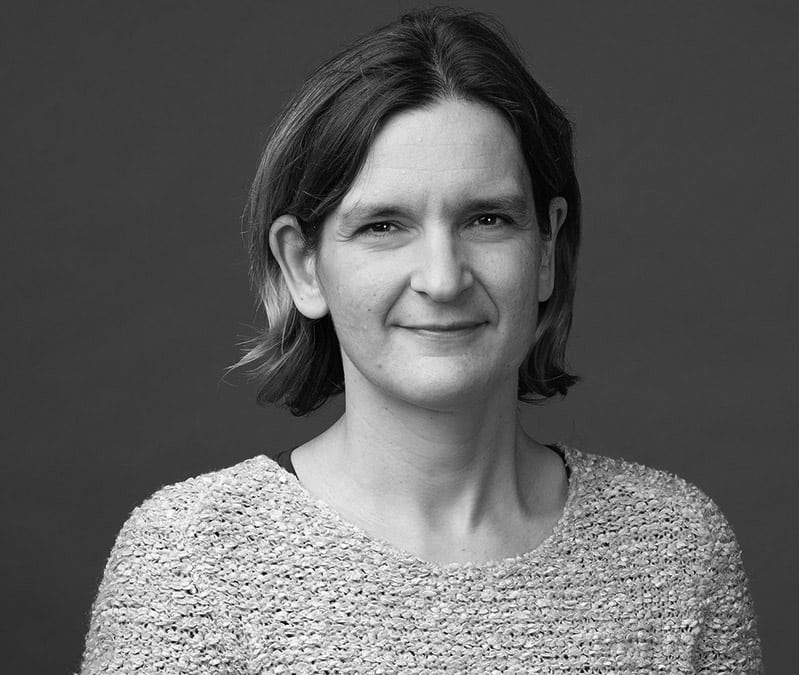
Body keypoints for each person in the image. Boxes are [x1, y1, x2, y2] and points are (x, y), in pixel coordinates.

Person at [78, 7, 762, 673]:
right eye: (383, 226)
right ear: (303, 265)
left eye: (487, 219)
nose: (442, 277)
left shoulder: (679, 551)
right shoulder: (191, 562)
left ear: (546, 247)